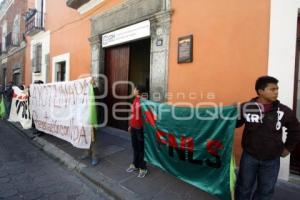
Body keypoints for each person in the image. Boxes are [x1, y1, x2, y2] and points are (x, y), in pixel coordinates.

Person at [235, 76, 300, 200]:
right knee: (243, 187)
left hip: (272, 160)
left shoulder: (284, 111)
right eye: (272, 89)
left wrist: (288, 148)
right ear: (261, 91)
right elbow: (235, 123)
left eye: (277, 89)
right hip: (249, 157)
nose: (276, 92)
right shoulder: (246, 107)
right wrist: (229, 115)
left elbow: (295, 129)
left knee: (265, 191)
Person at [126, 85, 148, 178]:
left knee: (141, 149)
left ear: (138, 91)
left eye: (134, 89)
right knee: (135, 147)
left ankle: (143, 168)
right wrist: (130, 125)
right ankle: (135, 164)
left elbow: (146, 117)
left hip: (140, 129)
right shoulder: (135, 100)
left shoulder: (144, 102)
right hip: (134, 128)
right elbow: (132, 114)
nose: (133, 90)